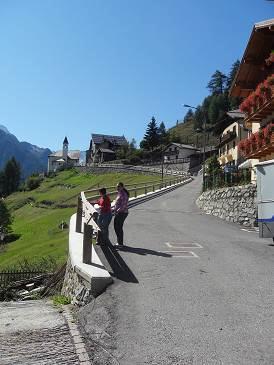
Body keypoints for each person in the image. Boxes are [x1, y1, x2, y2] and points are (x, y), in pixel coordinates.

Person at [113, 182, 129, 247]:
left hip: (122, 213)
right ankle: (119, 242)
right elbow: (117, 203)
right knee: (116, 226)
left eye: (119, 186)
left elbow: (123, 205)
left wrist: (116, 210)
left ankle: (120, 243)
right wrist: (114, 209)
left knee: (118, 227)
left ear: (122, 187)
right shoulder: (120, 193)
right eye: (117, 186)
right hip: (119, 212)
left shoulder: (124, 194)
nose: (117, 188)